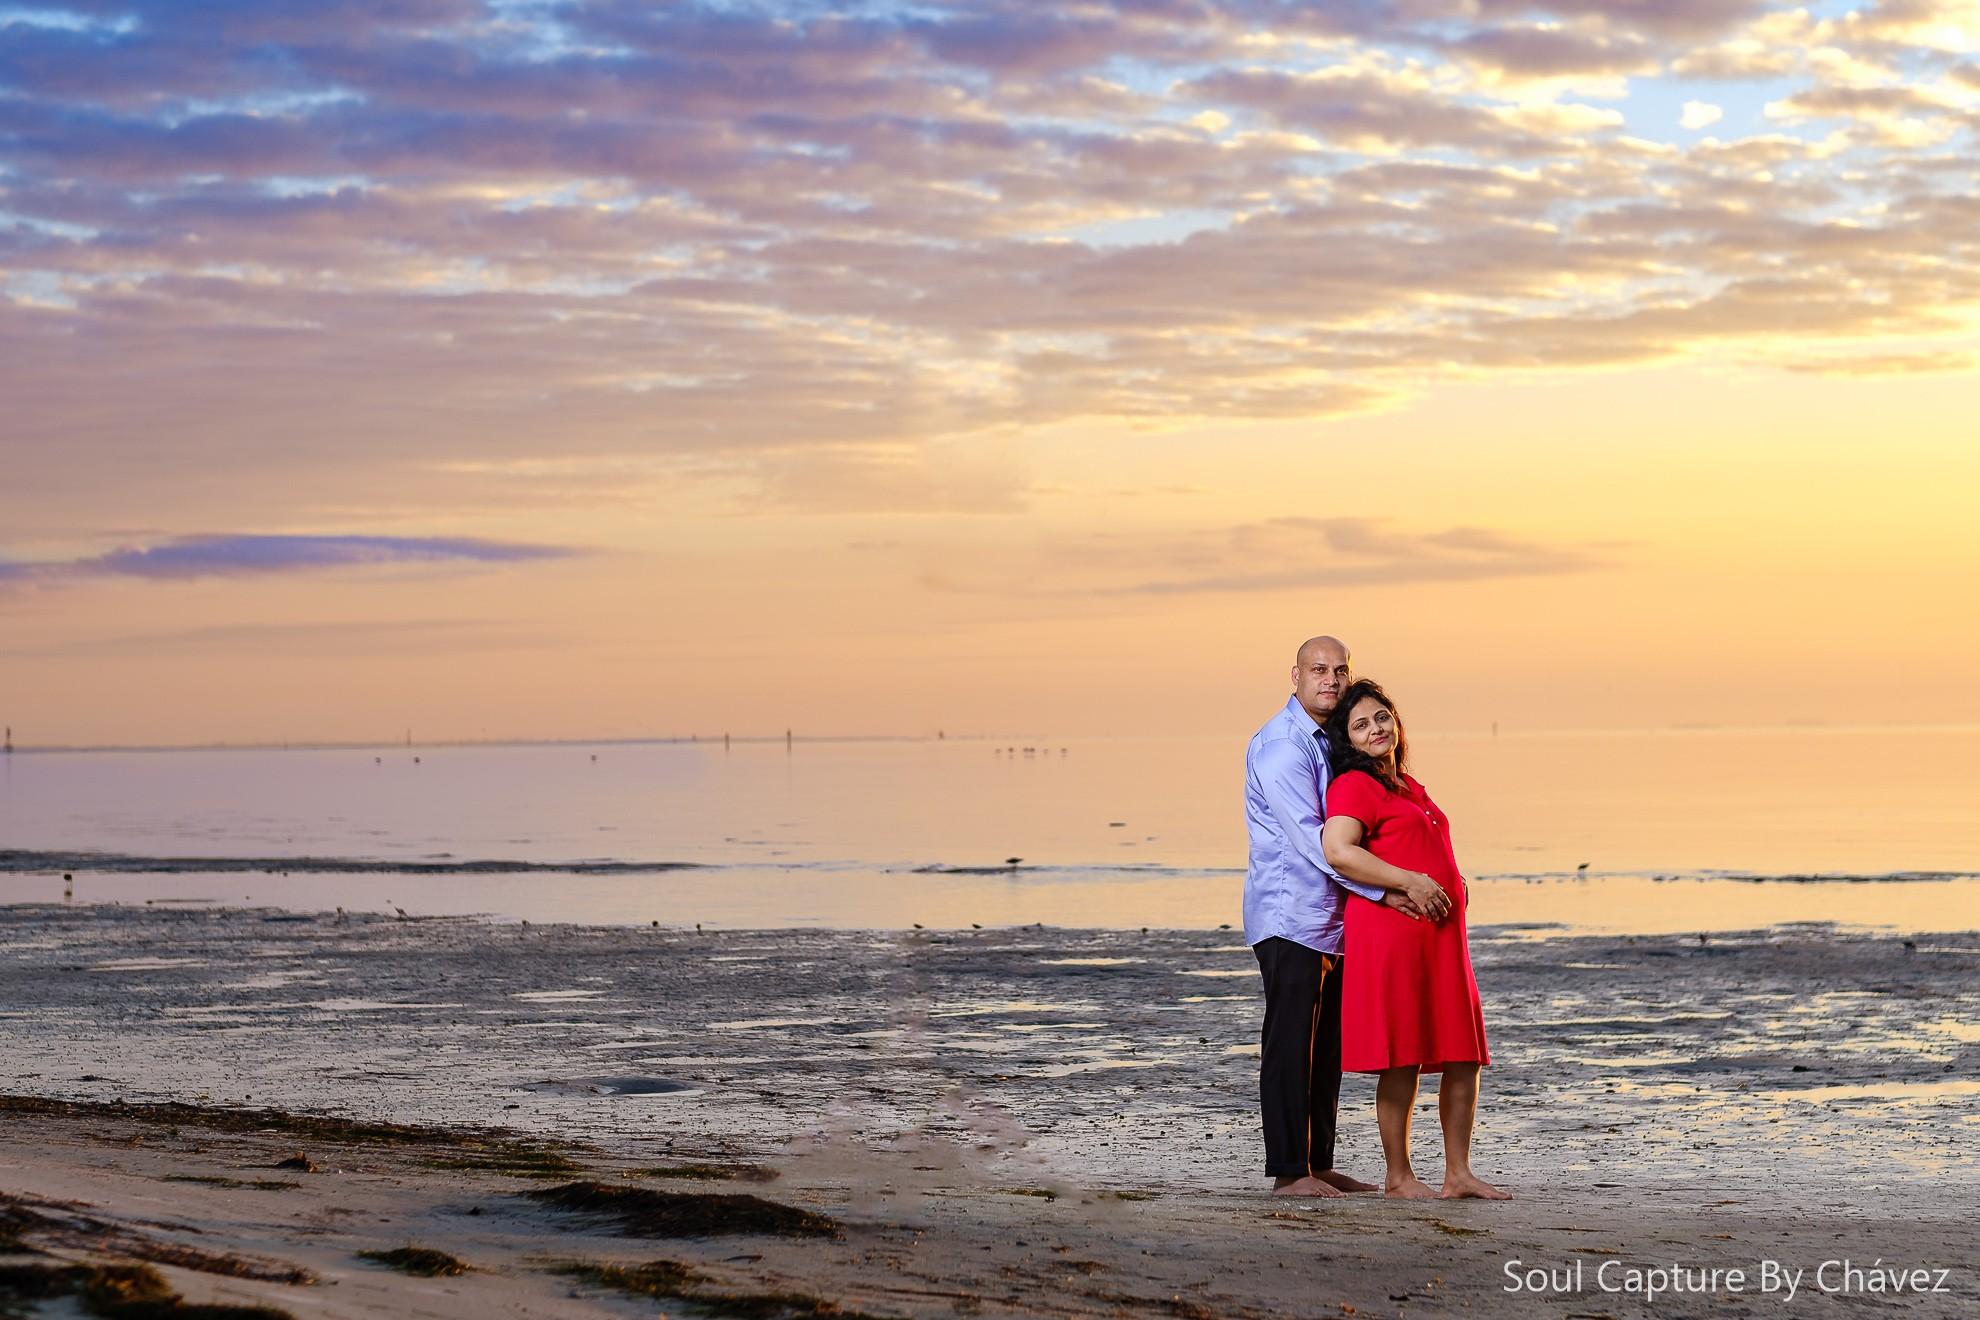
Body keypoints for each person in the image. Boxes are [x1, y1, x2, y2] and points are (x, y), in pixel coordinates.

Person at [1243, 637, 1452, 1198]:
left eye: (1340, 670)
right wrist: (1390, 892)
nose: (1331, 680)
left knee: (1325, 1046)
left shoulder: (1327, 744)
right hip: (1289, 916)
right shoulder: (1283, 747)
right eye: (1319, 670)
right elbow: (1319, 846)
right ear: (1295, 677)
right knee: (1290, 1042)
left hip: (1332, 921)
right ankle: (1290, 1171)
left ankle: (1318, 1162)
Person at [1320, 678, 1510, 1201]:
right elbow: (1338, 850)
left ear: (1396, 723)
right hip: (1394, 933)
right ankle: (1399, 1177)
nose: (1376, 729)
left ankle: (1458, 1174)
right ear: (1349, 742)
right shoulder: (1355, 785)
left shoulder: (1407, 784)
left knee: (1462, 1051)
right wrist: (1409, 881)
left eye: (1382, 717)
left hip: (1442, 936)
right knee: (1402, 1054)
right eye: (1360, 725)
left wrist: (1453, 879)